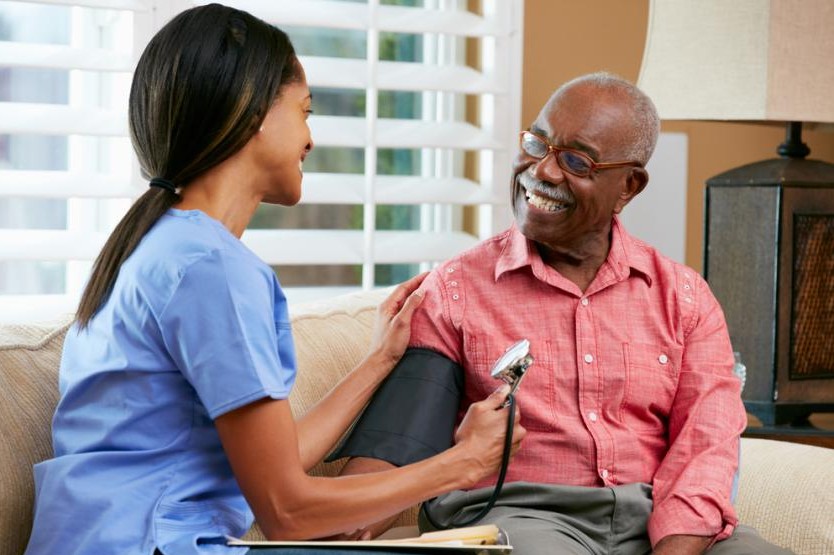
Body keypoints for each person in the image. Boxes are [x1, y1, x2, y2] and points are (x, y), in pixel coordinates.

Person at [23, 4, 526, 555]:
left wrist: (378, 360)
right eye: (305, 111)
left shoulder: (157, 247)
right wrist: (460, 465)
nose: (310, 139)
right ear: (253, 111)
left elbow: (276, 462)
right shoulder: (211, 270)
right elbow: (287, 511)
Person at [334, 73, 793, 555]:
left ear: (628, 186)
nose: (544, 172)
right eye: (537, 143)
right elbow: (388, 463)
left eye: (576, 160)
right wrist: (338, 514)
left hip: (658, 520)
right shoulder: (454, 292)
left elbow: (706, 448)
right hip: (522, 519)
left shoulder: (684, 297)